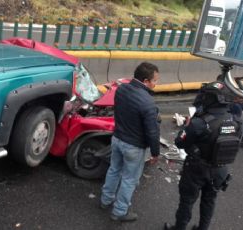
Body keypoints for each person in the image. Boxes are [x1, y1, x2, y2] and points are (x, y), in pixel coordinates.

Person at [164, 81, 242, 230]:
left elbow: (180, 142)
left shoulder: (200, 122)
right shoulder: (236, 121)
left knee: (187, 202)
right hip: (220, 169)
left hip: (197, 169)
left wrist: (187, 127)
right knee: (209, 201)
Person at [100, 62, 160, 222]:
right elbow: (152, 132)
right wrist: (155, 153)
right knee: (129, 179)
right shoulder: (148, 102)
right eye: (155, 80)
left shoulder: (121, 89)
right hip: (134, 146)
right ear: (146, 81)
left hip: (117, 139)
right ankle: (120, 212)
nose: (156, 84)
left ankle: (105, 200)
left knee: (114, 170)